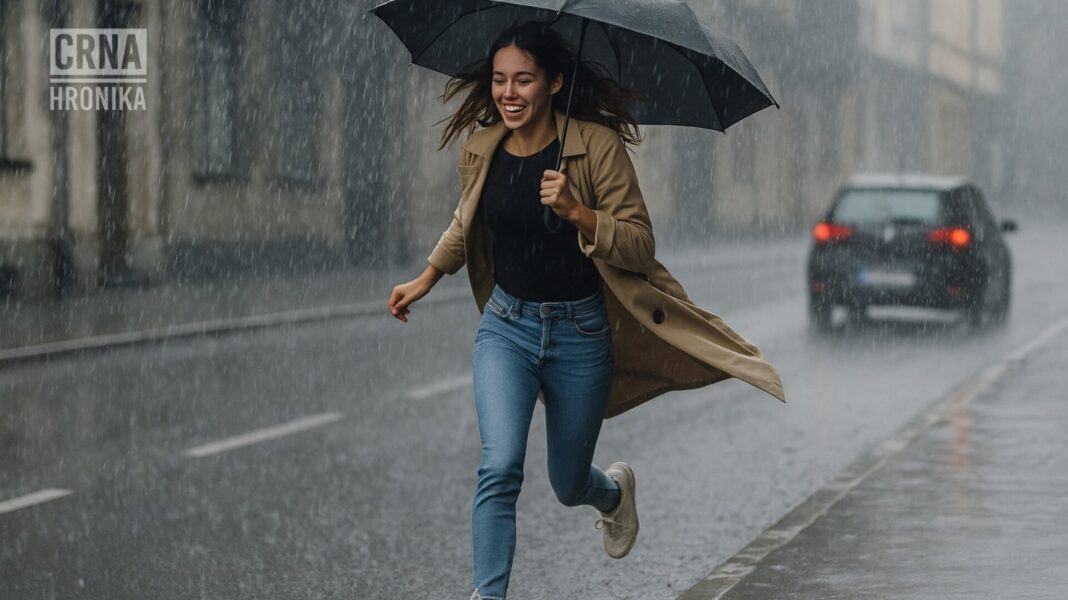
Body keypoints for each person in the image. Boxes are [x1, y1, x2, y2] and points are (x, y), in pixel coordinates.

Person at [388, 20, 784, 600]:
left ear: (554, 82)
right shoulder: (484, 147)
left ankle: (613, 495)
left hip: (580, 334)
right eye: (499, 79)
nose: (508, 93)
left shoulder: (597, 147)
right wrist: (425, 277)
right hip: (506, 328)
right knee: (499, 467)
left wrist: (578, 212)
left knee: (568, 483)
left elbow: (639, 244)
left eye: (523, 80)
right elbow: (466, 220)